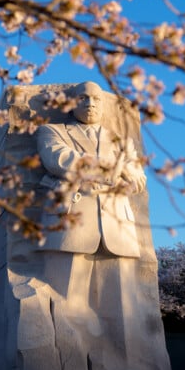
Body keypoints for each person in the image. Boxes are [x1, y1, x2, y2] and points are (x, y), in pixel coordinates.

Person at [36, 80, 146, 257]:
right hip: (71, 224)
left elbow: (138, 180)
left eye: (96, 99)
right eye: (83, 98)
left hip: (119, 230)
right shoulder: (52, 131)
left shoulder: (123, 142)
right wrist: (115, 168)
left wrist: (126, 173)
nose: (90, 103)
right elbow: (60, 159)